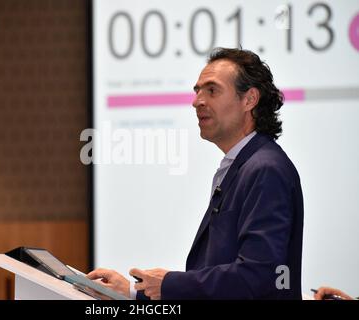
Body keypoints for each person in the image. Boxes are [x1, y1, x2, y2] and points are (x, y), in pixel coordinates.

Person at [87, 47, 304, 299]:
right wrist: (133, 293)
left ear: (249, 99)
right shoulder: (244, 164)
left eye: (211, 90)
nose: (197, 101)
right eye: (197, 91)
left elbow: (257, 276)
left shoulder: (265, 169)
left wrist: (168, 284)